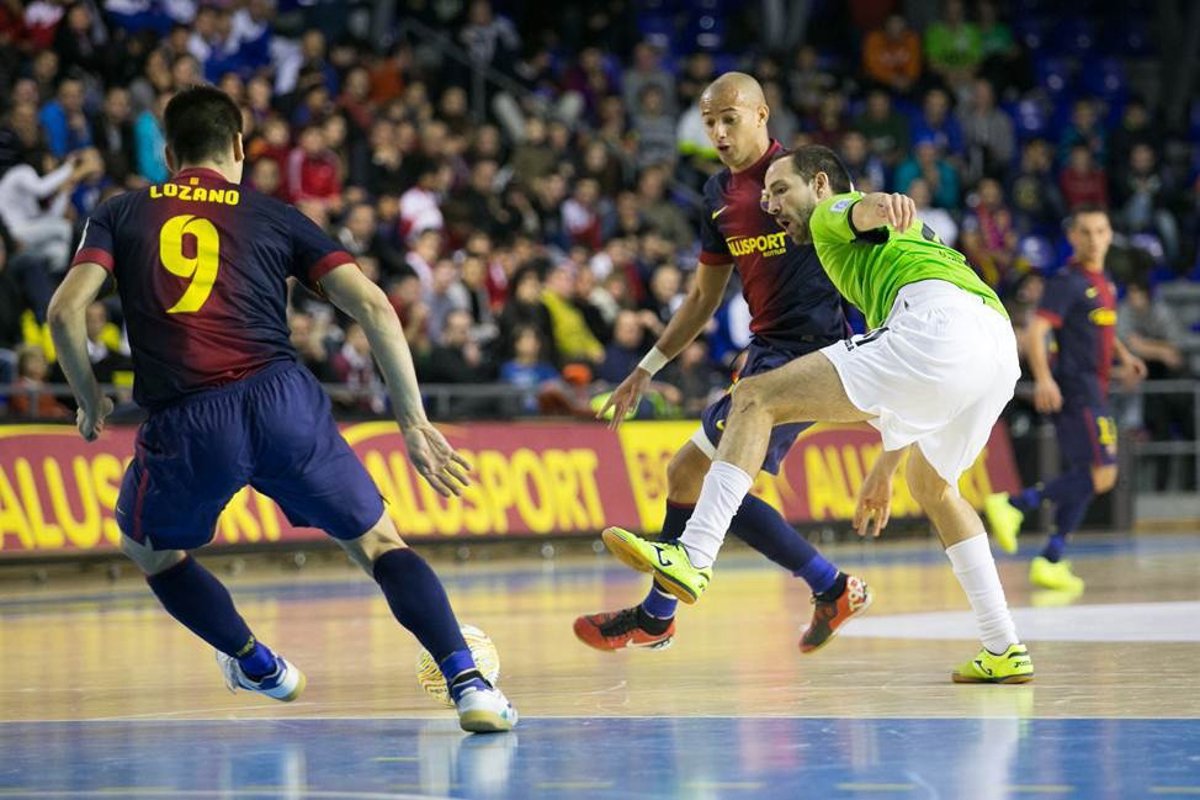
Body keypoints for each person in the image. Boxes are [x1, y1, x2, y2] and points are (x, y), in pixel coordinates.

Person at [47, 85, 516, 733]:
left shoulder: (122, 211)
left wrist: (88, 399)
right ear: (239, 147)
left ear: (169, 154)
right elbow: (375, 306)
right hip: (283, 402)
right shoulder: (274, 214)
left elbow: (65, 311)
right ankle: (470, 685)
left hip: (189, 418)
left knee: (148, 548)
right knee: (379, 543)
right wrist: (413, 421)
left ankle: (256, 663)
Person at [602, 144, 1035, 685]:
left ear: (822, 183)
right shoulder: (895, 246)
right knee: (934, 488)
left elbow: (861, 210)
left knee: (753, 396)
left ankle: (693, 555)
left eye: (781, 191)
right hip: (994, 344)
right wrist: (885, 468)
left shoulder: (830, 213)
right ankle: (1002, 646)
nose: (771, 205)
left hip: (935, 327)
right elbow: (919, 384)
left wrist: (885, 203)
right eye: (765, 195)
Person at [575, 74, 871, 656]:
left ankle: (658, 617)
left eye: (729, 118)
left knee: (699, 476)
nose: (718, 132)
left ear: (762, 114)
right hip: (765, 353)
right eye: (710, 122)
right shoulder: (717, 194)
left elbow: (863, 233)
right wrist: (646, 367)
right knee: (693, 478)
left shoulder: (808, 175)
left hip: (813, 354)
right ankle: (831, 588)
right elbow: (702, 298)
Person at [985, 208, 1147, 593]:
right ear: (1073, 237)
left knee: (1087, 474)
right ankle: (1014, 505)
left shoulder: (1103, 282)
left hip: (1094, 388)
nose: (1094, 239)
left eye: (1101, 230)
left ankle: (1052, 558)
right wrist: (1043, 379)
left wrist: (1125, 357)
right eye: (1086, 232)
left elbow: (1102, 326)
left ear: (1110, 235)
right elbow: (1036, 331)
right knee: (1102, 474)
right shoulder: (1067, 281)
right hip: (1077, 389)